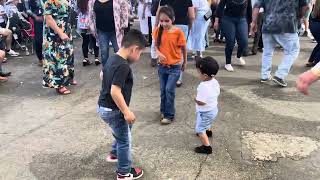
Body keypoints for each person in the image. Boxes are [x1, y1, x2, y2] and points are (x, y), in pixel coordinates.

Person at [97, 29, 148, 180]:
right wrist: (126, 111)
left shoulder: (112, 59)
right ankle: (124, 173)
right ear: (134, 49)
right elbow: (115, 91)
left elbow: (102, 75)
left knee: (122, 130)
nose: (138, 57)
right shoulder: (123, 66)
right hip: (114, 109)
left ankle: (114, 154)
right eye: (140, 53)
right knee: (125, 140)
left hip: (103, 106)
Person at [251, 0, 309, 87]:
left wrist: (254, 22)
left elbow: (256, 7)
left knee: (267, 52)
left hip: (268, 25)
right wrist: (300, 16)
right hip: (287, 26)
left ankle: (265, 76)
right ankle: (280, 75)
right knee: (293, 51)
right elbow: (306, 7)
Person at [153, 6, 187, 124]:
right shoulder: (157, 31)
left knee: (169, 90)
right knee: (163, 90)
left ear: (173, 19)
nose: (164, 23)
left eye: (167, 21)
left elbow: (183, 48)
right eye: (161, 21)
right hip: (162, 67)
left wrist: (185, 62)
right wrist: (158, 53)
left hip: (175, 67)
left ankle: (169, 115)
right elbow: (155, 46)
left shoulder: (178, 32)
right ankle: (163, 111)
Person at [42, 0, 76, 95]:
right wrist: (60, 33)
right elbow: (49, 20)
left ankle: (68, 78)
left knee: (68, 55)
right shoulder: (49, 2)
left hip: (66, 31)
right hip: (54, 35)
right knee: (57, 58)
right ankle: (59, 85)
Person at [158, 0, 195, 87]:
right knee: (180, 52)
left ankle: (167, 74)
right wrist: (190, 27)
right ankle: (178, 78)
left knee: (166, 50)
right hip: (183, 25)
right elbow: (192, 16)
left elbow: (159, 13)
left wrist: (157, 25)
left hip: (166, 26)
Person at [88, 0, 129, 66]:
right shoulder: (92, 1)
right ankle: (106, 71)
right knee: (104, 52)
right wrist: (91, 27)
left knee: (119, 50)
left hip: (116, 30)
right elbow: (90, 14)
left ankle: (121, 69)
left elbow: (124, 8)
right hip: (101, 30)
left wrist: (124, 23)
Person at [215, 0, 251, 72]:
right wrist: (216, 21)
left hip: (242, 19)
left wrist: (251, 22)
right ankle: (228, 63)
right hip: (228, 19)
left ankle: (238, 56)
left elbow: (249, 8)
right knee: (230, 41)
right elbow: (220, 7)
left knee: (244, 41)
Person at [194, 56, 220, 154]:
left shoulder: (203, 86)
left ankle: (206, 147)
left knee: (200, 129)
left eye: (198, 72)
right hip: (213, 109)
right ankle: (208, 131)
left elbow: (202, 102)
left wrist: (196, 100)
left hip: (205, 111)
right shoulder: (214, 81)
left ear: (204, 75)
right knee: (207, 122)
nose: (197, 74)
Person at [77, 0, 100, 66]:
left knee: (85, 41)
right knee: (94, 40)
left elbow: (76, 10)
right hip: (91, 22)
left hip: (82, 23)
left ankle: (85, 58)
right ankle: (96, 58)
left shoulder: (79, 1)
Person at [28, 0, 44, 66]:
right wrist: (34, 16)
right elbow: (27, 9)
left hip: (50, 18)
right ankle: (40, 59)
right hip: (38, 21)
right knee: (38, 40)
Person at [306, 0, 320, 67]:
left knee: (319, 45)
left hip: (313, 25)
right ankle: (316, 63)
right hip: (317, 26)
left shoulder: (316, 5)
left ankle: (311, 61)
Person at [150, 0, 160, 67]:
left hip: (164, 15)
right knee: (155, 37)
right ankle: (154, 57)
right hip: (155, 15)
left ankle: (155, 57)